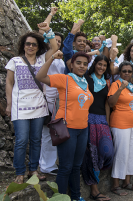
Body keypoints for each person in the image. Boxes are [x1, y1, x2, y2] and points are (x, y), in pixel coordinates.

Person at [36, 51, 94, 201]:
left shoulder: (85, 82)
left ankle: (75, 197)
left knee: (76, 166)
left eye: (85, 64)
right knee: (65, 167)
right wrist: (52, 58)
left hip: (83, 129)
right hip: (67, 128)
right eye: (78, 63)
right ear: (72, 64)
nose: (82, 66)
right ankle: (60, 198)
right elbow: (40, 77)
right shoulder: (65, 79)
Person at [5, 22, 58, 184]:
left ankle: (33, 169)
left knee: (36, 139)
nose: (30, 46)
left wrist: (48, 30)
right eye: (28, 44)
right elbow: (9, 82)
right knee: (21, 140)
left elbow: (54, 48)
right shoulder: (15, 61)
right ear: (23, 45)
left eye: (34, 44)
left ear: (38, 46)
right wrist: (8, 104)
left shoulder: (43, 59)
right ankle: (20, 172)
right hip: (19, 107)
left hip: (39, 107)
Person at [81, 55, 113, 201]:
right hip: (88, 119)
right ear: (95, 65)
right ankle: (94, 190)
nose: (102, 67)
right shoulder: (87, 79)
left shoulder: (106, 82)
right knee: (92, 155)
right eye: (99, 64)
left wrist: (107, 122)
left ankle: (96, 183)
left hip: (102, 120)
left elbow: (107, 103)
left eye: (104, 65)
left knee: (107, 152)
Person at [108, 61, 133, 196]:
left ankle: (127, 182)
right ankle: (115, 185)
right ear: (120, 72)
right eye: (124, 71)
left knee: (132, 154)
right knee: (121, 154)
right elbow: (110, 103)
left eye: (129, 71)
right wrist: (120, 88)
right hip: (120, 124)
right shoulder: (115, 84)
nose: (127, 73)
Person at [39, 31, 65, 176]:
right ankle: (46, 166)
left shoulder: (60, 59)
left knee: (57, 132)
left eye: (59, 41)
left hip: (59, 98)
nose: (57, 43)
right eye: (54, 40)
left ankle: (51, 162)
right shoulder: (45, 56)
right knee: (48, 133)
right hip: (49, 98)